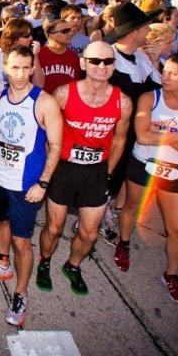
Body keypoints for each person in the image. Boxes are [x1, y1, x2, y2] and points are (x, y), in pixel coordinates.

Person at [116, 53, 178, 305]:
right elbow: (142, 137)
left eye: (172, 73)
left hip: (176, 172)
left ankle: (171, 274)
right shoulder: (150, 97)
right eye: (164, 70)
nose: (164, 76)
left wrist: (161, 132)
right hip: (143, 164)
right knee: (130, 208)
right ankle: (123, 243)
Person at [0, 45, 63, 326]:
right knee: (0, 224)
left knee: (21, 241)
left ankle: (21, 293)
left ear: (33, 68)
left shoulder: (44, 102)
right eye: (15, 67)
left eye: (27, 67)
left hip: (26, 185)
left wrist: (44, 182)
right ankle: (2, 265)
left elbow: (56, 146)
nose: (21, 74)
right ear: (5, 68)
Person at [36, 41, 131, 296]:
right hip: (64, 169)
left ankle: (73, 266)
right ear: (83, 63)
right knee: (54, 228)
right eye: (95, 61)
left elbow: (120, 139)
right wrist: (48, 168)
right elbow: (47, 134)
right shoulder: (64, 93)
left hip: (96, 172)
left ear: (114, 65)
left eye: (108, 61)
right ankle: (44, 262)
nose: (101, 66)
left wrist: (107, 171)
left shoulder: (122, 101)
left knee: (89, 234)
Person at [100, 2, 163, 243]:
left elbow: (158, 91)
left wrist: (156, 63)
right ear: (134, 31)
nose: (149, 30)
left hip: (136, 131)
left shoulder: (142, 57)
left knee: (120, 174)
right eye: (146, 26)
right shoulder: (107, 58)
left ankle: (105, 210)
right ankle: (94, 214)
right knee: (107, 173)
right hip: (111, 131)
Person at [0, 19, 38, 94]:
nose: (31, 38)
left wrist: (36, 56)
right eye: (27, 36)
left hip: (24, 101)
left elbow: (39, 84)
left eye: (31, 34)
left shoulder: (30, 55)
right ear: (14, 39)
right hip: (0, 102)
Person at [38, 13, 81, 94]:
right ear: (51, 35)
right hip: (42, 104)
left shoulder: (74, 56)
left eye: (69, 30)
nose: (70, 34)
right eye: (65, 31)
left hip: (67, 104)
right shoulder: (38, 55)